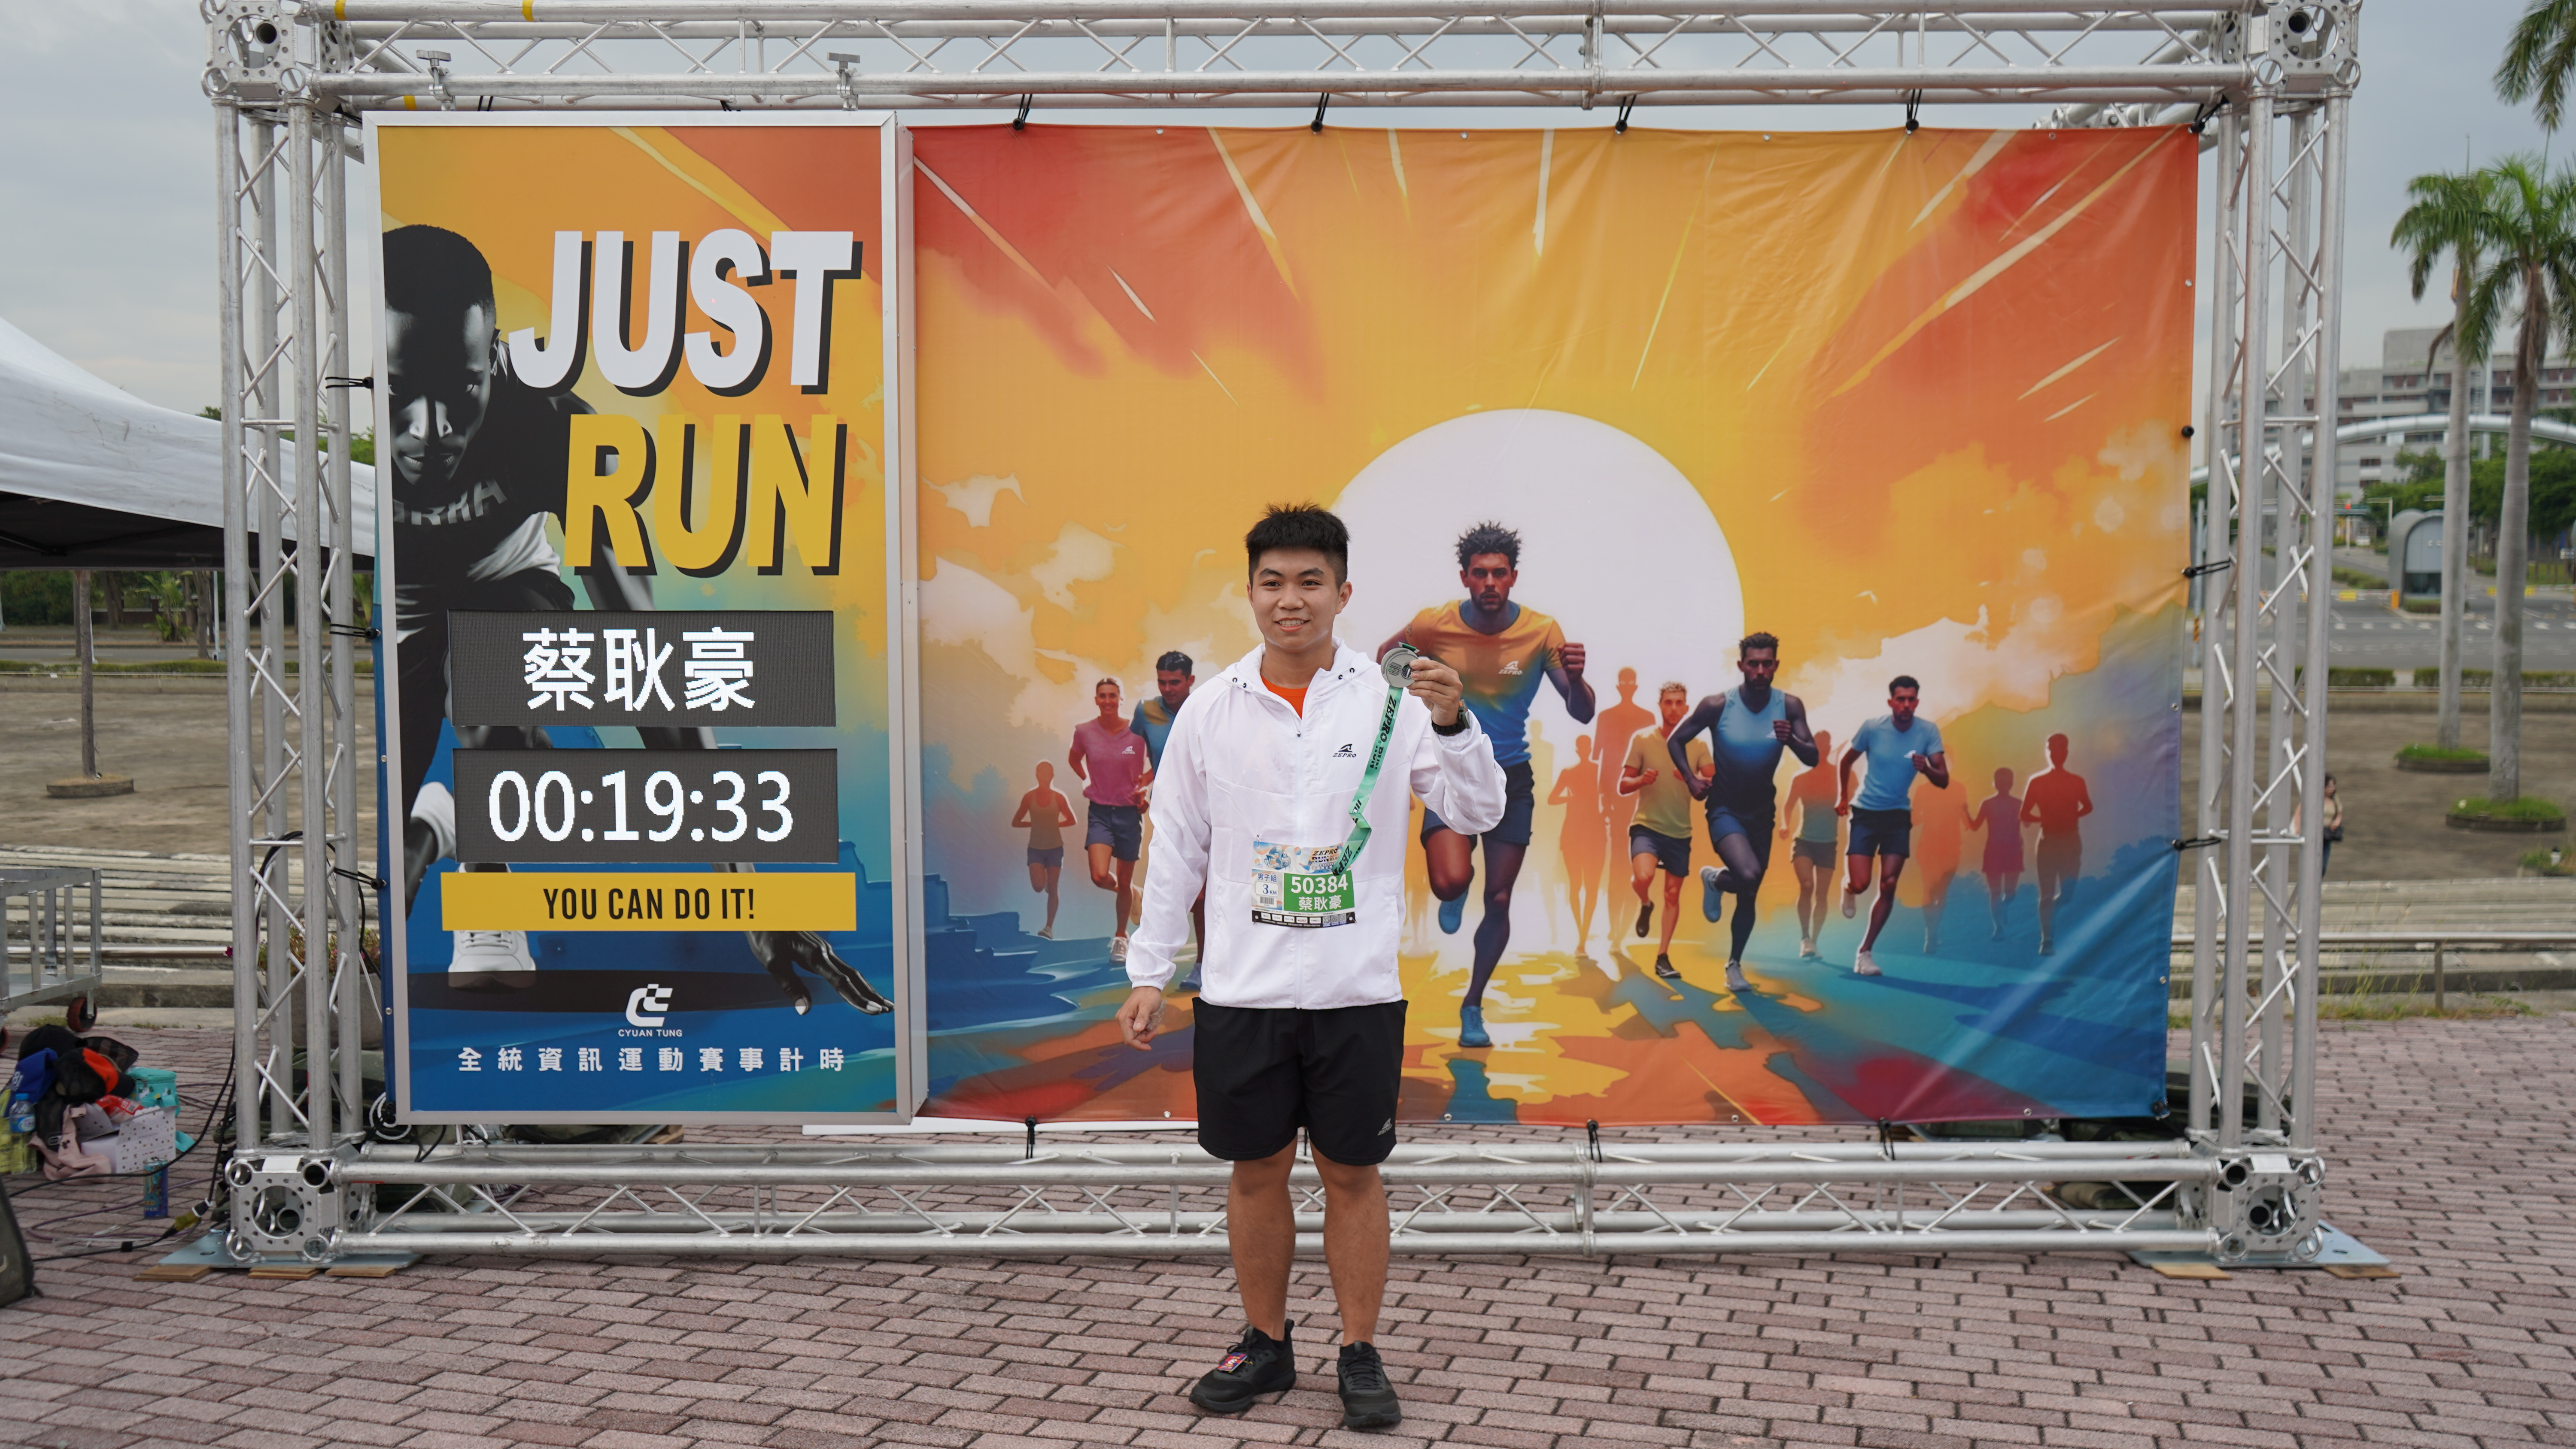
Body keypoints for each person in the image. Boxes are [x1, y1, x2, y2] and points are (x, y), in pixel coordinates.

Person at [381, 225, 887, 1015]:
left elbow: (645, 661)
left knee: (494, 679)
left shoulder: (555, 427)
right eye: (399, 393)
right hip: (405, 611)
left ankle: (487, 879)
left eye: (462, 389)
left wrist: (750, 899)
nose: (429, 429)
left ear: (497, 358)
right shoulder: (345, 452)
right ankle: (446, 819)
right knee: (389, 854)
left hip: (506, 585)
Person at [1119, 504, 1502, 1431]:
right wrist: (1150, 968)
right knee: (1255, 1169)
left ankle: (1359, 1351)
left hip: (1353, 987)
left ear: (1343, 592)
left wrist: (1456, 723)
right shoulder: (1213, 708)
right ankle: (1265, 1342)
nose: (1290, 600)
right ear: (1250, 593)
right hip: (1243, 986)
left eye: (1310, 582)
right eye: (1273, 582)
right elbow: (1176, 846)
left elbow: (1477, 810)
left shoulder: (1393, 701)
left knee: (1352, 1171)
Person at [1381, 522, 1592, 1049]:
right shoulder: (1434, 623)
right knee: (1450, 882)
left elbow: (1582, 711)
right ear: (1465, 577)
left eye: (1500, 573)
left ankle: (1473, 1003)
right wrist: (1418, 702)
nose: (1491, 583)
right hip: (1449, 768)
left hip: (1511, 776)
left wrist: (1577, 677)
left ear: (1514, 576)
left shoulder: (1542, 631)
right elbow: (1384, 664)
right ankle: (1456, 888)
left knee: (1499, 898)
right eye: (1481, 574)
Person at [1671, 634, 1818, 994]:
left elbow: (1813, 756)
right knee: (1749, 874)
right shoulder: (1717, 705)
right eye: (1753, 664)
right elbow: (1676, 740)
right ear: (1741, 666)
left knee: (1749, 891)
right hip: (1725, 808)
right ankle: (1718, 881)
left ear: (1776, 665)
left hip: (1762, 812)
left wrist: (1791, 740)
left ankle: (1733, 963)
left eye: (1767, 664)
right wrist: (1690, 779)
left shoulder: (1790, 706)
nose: (1760, 671)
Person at [1835, 675, 1950, 977]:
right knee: (1861, 884)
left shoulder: (1928, 731)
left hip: (1898, 816)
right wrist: (1843, 797)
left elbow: (1944, 779)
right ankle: (1848, 888)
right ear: (1891, 702)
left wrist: (1926, 768)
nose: (1906, 705)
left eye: (1911, 700)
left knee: (1888, 884)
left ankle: (1865, 953)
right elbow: (1845, 761)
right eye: (1901, 700)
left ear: (1917, 702)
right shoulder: (1873, 728)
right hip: (1866, 813)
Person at [1622, 682, 1711, 982]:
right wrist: (1641, 780)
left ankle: (1663, 957)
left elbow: (1714, 782)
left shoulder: (1698, 745)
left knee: (1673, 895)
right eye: (1669, 702)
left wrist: (1692, 777)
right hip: (1647, 825)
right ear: (1660, 706)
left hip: (1680, 831)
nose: (1674, 708)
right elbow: (1623, 784)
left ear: (1687, 708)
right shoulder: (1643, 739)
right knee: (1644, 877)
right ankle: (1646, 904)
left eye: (1679, 703)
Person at [1069, 678, 1151, 960]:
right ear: (1096, 700)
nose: (1107, 701)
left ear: (1121, 699)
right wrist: (1085, 779)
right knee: (1100, 876)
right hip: (1100, 813)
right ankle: (1133, 894)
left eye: (1113, 696)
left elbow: (1159, 762)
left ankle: (1120, 937)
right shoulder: (1084, 732)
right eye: (1103, 696)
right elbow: (1074, 759)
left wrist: (1144, 787)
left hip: (1130, 814)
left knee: (1124, 881)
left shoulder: (1138, 733)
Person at [1132, 650, 1204, 959]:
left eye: (1175, 682)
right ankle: (1153, 967)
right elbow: (1138, 754)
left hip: (1206, 811)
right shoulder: (1146, 711)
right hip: (1166, 812)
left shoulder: (1205, 707)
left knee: (1203, 893)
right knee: (1168, 885)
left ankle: (1202, 962)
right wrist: (1140, 786)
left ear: (1190, 680)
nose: (1167, 689)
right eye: (1162, 682)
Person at [2019, 733, 2093, 957]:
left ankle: (2053, 911)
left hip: (2071, 840)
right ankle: (2047, 940)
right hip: (2048, 841)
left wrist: (2072, 815)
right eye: (2052, 750)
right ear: (2047, 752)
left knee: (2068, 893)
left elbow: (2088, 806)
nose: (2056, 754)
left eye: (2060, 750)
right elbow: (2024, 814)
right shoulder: (2038, 782)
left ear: (2066, 753)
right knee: (2046, 893)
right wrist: (2045, 819)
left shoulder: (2076, 781)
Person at [1592, 667, 1657, 887]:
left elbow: (1653, 757)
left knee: (1641, 843)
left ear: (1635, 686)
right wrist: (1603, 797)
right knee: (1619, 843)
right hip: (1615, 791)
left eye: (1631, 682)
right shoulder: (1605, 718)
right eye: (1624, 682)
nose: (1628, 687)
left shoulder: (1647, 718)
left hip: (1641, 791)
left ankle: (1634, 891)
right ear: (1618, 687)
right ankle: (1617, 890)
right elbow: (1601, 759)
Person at [1778, 729, 1839, 960]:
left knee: (1822, 894)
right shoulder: (1801, 778)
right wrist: (1785, 825)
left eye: (1825, 745)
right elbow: (1788, 806)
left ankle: (1815, 941)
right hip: (1804, 841)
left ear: (1830, 748)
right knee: (1807, 885)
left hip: (1828, 843)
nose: (1822, 749)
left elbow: (1854, 801)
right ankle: (1805, 938)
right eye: (1817, 745)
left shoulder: (1840, 776)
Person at [1547, 735, 1609, 962]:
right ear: (1580, 750)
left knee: (1589, 887)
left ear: (1588, 749)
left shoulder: (1596, 772)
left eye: (1586, 748)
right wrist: (1570, 798)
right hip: (1576, 834)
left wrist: (1604, 812)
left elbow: (1609, 797)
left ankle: (1582, 938)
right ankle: (1581, 936)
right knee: (1577, 885)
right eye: (1583, 748)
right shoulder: (1571, 773)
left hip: (1592, 834)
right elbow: (1552, 799)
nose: (1585, 750)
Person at [1012, 762, 1078, 939]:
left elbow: (1071, 820)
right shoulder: (1029, 798)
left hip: (1055, 848)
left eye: (1048, 773)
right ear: (1037, 775)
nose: (1045, 776)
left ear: (1052, 776)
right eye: (1042, 773)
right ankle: (1046, 879)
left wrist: (1054, 824)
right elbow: (1016, 822)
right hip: (1036, 849)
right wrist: (1034, 823)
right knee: (1038, 887)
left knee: (1054, 887)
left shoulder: (1059, 798)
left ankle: (1049, 928)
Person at [1964, 767, 2025, 942]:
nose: (2004, 785)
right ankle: (1998, 928)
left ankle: (2004, 909)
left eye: (2007, 782)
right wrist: (1966, 812)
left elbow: (2028, 822)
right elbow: (1975, 827)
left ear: (2011, 784)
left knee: (2010, 893)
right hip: (1995, 852)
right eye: (2001, 781)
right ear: (1996, 784)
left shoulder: (2019, 804)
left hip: (2013, 851)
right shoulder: (1988, 804)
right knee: (1995, 893)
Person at [1911, 771, 1963, 955]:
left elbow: (1963, 815)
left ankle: (1932, 932)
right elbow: (1913, 819)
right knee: (1931, 891)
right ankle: (1931, 933)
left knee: (1939, 892)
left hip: (1949, 847)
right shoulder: (1924, 790)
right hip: (1930, 848)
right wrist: (1929, 815)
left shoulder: (1958, 788)